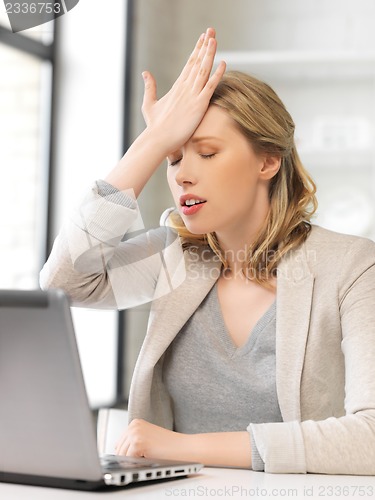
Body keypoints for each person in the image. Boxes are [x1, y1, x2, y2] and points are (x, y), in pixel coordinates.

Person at [40, 28, 375, 474]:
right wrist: (152, 141)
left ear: (268, 161)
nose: (182, 176)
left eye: (208, 153)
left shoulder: (351, 267)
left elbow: (370, 438)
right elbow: (66, 282)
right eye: (175, 159)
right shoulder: (176, 257)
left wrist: (179, 447)